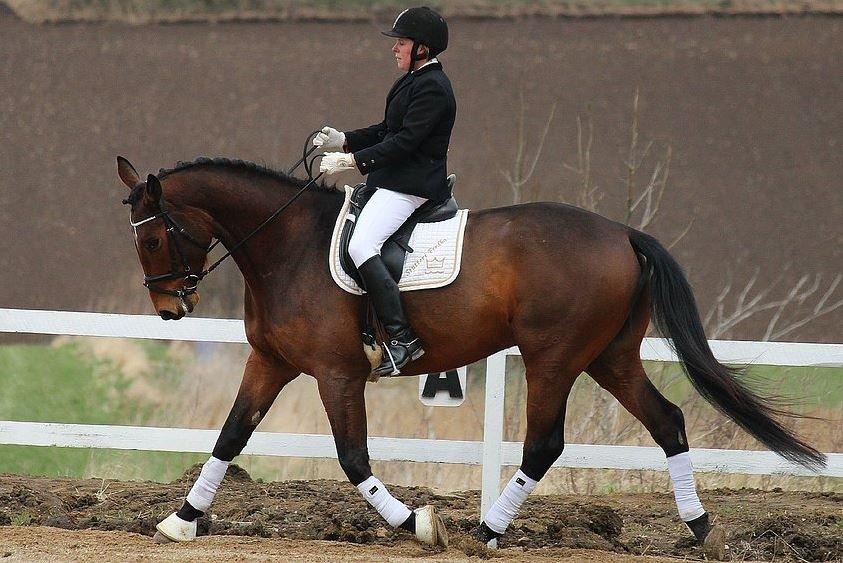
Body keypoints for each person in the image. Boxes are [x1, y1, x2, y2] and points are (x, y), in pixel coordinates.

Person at [315, 6, 456, 377]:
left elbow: (406, 143)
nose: (395, 49)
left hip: (412, 186)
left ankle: (402, 337)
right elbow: (387, 129)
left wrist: (353, 162)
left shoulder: (435, 88)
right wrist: (344, 140)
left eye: (403, 42)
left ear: (422, 49)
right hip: (392, 181)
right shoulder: (411, 82)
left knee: (361, 245)